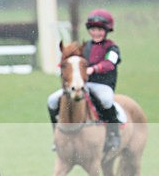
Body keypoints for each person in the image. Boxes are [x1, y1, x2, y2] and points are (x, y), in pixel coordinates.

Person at [47, 9, 123, 152]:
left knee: (106, 100)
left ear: (107, 31)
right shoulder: (85, 47)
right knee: (52, 100)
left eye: (100, 30)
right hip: (83, 83)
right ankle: (56, 135)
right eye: (93, 29)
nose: (96, 33)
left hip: (102, 84)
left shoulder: (112, 48)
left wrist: (94, 69)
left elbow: (110, 64)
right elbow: (73, 60)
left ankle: (113, 134)